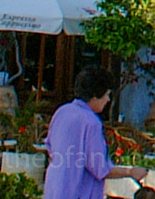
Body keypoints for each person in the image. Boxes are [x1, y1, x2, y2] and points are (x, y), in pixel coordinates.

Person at [44, 68, 147, 199]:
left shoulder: (62, 112)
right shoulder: (91, 122)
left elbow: (50, 147)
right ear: (95, 96)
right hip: (79, 192)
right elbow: (100, 168)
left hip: (54, 188)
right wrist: (131, 172)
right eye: (107, 95)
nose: (108, 100)